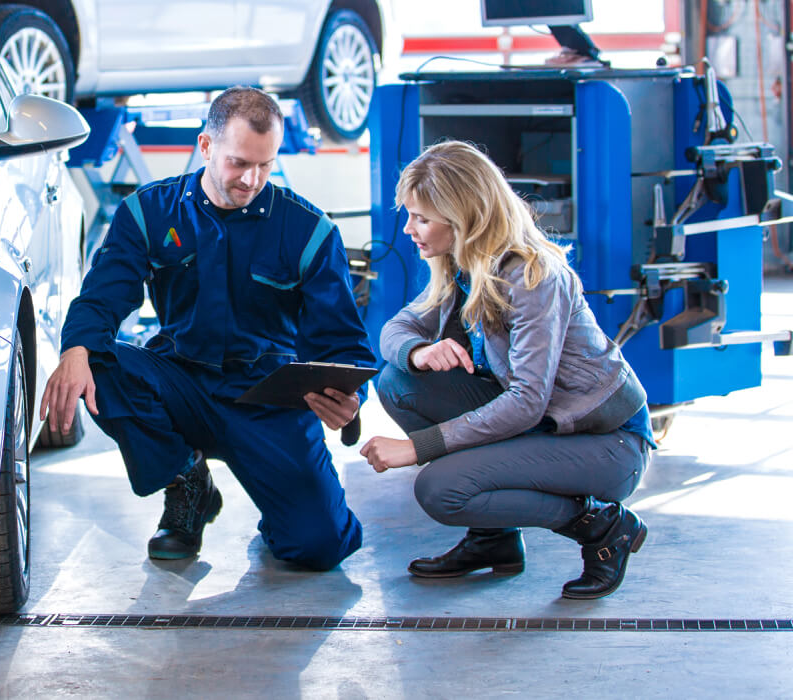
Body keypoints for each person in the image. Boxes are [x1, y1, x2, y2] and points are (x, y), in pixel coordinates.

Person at [40, 86, 374, 569]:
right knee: (98, 361)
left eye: (266, 164)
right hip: (182, 385)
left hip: (268, 401)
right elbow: (102, 297)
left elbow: (343, 343)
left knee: (318, 546)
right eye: (240, 162)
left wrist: (349, 399)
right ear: (205, 146)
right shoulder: (149, 213)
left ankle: (282, 511)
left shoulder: (309, 231)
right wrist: (74, 350)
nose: (253, 179)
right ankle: (187, 481)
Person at [361, 140, 654, 599]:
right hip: (546, 427)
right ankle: (493, 539)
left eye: (421, 218)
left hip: (607, 443)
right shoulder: (462, 266)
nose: (408, 229)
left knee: (441, 489)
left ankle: (601, 525)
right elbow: (395, 329)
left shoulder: (532, 276)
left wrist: (417, 448)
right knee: (398, 381)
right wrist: (419, 350)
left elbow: (527, 401)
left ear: (463, 219)